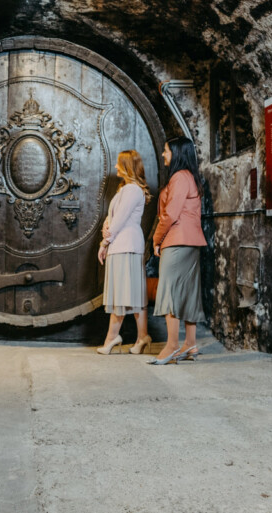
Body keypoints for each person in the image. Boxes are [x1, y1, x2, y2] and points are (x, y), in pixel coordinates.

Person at [148, 136, 207, 365]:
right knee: (189, 292)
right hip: (190, 242)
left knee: (169, 291)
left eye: (166, 151)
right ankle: (190, 344)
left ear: (177, 153)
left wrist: (156, 238)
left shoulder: (180, 177)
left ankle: (172, 346)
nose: (164, 154)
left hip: (176, 241)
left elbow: (170, 214)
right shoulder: (189, 177)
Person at [96, 150, 153, 355]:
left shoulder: (132, 190)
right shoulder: (124, 190)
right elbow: (112, 218)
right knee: (130, 293)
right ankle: (142, 337)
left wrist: (104, 243)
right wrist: (106, 229)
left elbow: (119, 220)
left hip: (126, 245)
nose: (115, 167)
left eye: (119, 164)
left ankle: (113, 337)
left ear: (127, 166)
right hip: (120, 244)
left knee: (126, 293)